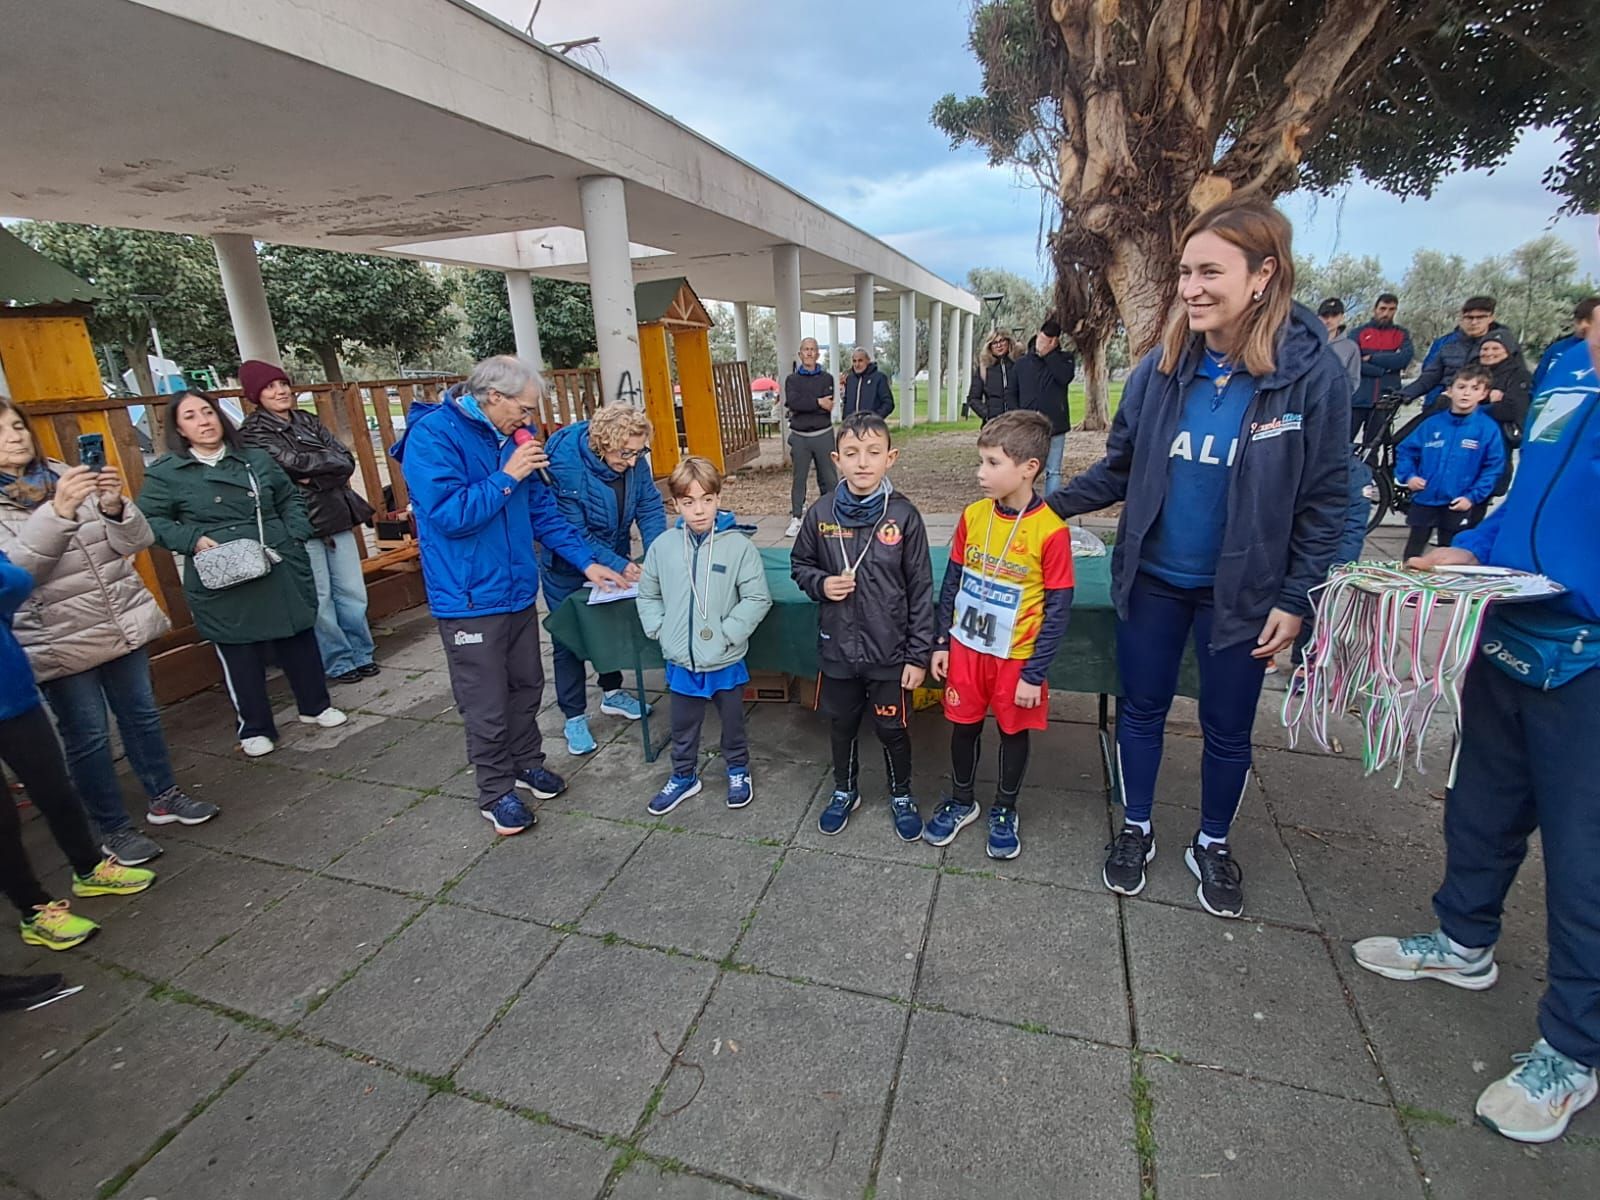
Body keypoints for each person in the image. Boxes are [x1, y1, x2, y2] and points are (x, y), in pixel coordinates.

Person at [1049, 198, 1348, 918]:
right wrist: (1043, 506)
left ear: (1263, 275)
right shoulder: (1159, 370)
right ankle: (1138, 827)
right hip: (1152, 582)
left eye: (1210, 271)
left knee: (1226, 726)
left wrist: (1296, 597)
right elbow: (1120, 468)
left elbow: (1328, 501)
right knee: (1142, 711)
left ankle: (1212, 841)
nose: (1191, 287)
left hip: (1244, 595)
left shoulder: (1311, 376)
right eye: (1185, 271)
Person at [1351, 318, 1600, 1145]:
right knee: (1480, 807)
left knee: (1584, 862)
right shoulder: (1565, 373)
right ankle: (1463, 941)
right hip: (1509, 628)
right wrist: (1475, 550)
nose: (1593, 340)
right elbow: (1531, 499)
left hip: (1586, 656)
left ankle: (1571, 1049)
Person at [392, 357, 625, 836]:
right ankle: (495, 790)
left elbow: (544, 511)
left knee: (525, 688)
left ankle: (527, 763)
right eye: (523, 409)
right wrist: (508, 476)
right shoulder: (433, 436)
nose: (529, 419)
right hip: (470, 597)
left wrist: (586, 560)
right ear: (492, 396)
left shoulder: (513, 436)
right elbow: (450, 515)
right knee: (486, 701)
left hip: (518, 590)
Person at [0, 400, 213, 866]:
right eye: (1, 431)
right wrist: (58, 513)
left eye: (18, 425)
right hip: (57, 635)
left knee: (142, 716)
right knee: (89, 736)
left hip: (118, 617)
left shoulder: (65, 474)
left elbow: (135, 542)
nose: (15, 436)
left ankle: (165, 796)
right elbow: (15, 576)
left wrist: (116, 507)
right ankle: (111, 827)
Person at [139, 391, 347, 758]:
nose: (204, 421)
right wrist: (191, 539)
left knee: (298, 636)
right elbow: (150, 521)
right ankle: (254, 726)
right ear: (178, 428)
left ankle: (314, 705)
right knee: (240, 652)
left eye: (208, 412)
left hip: (275, 556)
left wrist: (293, 536)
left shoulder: (255, 460)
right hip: (222, 568)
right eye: (191, 416)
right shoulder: (167, 473)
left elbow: (289, 498)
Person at [926, 411, 1073, 860]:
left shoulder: (1051, 531)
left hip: (1016, 659)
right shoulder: (972, 516)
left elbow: (1059, 608)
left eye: (992, 463)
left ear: (1028, 468)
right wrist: (940, 641)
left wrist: (1035, 673)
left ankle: (1005, 809)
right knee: (962, 726)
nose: (980, 473)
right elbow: (951, 582)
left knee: (1013, 732)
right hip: (967, 650)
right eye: (981, 461)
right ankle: (962, 799)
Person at [2, 549, 155, 952]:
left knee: (56, 791)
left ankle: (88, 869)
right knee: (1, 821)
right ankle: (35, 910)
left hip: (11, 691)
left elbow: (15, 583)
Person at [791, 413, 935, 841]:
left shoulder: (904, 516)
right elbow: (800, 566)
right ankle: (844, 790)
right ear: (836, 459)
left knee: (892, 727)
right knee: (842, 726)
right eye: (852, 454)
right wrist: (822, 583)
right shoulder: (820, 512)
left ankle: (902, 794)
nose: (863, 463)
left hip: (889, 652)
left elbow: (922, 589)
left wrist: (918, 654)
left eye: (873, 453)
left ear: (890, 457)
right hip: (837, 649)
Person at [637, 457, 772, 815]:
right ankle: (683, 776)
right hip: (682, 659)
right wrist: (659, 628)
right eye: (688, 501)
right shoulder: (664, 547)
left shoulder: (738, 546)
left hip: (724, 658)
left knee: (732, 724)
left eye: (707, 499)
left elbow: (758, 597)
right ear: (676, 504)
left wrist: (729, 633)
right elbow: (647, 593)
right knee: (682, 725)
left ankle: (738, 770)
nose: (699, 510)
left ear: (718, 497)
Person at [238, 360, 378, 685]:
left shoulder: (306, 420)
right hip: (300, 520)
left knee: (352, 591)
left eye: (283, 383)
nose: (280, 391)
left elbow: (345, 459)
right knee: (320, 596)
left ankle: (362, 652)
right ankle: (338, 661)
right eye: (270, 386)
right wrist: (323, 469)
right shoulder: (253, 432)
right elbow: (287, 466)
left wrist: (312, 475)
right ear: (256, 394)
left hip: (336, 512)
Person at [541, 405, 667, 754]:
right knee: (570, 638)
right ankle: (573, 716)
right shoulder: (565, 464)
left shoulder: (634, 458)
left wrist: (656, 556)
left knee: (610, 625)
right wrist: (617, 563)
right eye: (624, 453)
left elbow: (650, 507)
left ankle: (612, 693)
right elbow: (572, 532)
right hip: (566, 567)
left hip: (615, 553)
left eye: (638, 453)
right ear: (601, 443)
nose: (631, 462)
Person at [1394, 364, 1505, 560]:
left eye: (1474, 389)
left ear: (1484, 394)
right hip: (1425, 498)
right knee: (1413, 550)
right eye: (1461, 387)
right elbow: (1405, 451)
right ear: (1449, 390)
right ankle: (1405, 586)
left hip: (1458, 502)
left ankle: (1444, 590)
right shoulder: (1432, 424)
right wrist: (1409, 476)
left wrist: (1472, 497)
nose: (1466, 394)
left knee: (1450, 552)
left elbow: (1493, 467)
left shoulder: (1487, 429)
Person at [1402, 296, 1507, 412]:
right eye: (1469, 317)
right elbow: (1430, 376)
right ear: (1461, 318)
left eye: (1480, 317)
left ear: (1491, 318)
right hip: (1443, 405)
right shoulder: (1448, 346)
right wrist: (1405, 394)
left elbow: (1511, 379)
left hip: (1482, 409)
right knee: (1412, 430)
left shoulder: (1500, 347)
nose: (1474, 322)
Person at [1015, 318, 1077, 495]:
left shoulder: (1065, 360)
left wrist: (1049, 356)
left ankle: (1051, 509)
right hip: (1028, 425)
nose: (1041, 345)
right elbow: (1013, 392)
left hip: (1055, 424)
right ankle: (1025, 507)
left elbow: (1064, 378)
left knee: (1053, 470)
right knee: (1025, 469)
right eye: (1041, 340)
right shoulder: (1023, 363)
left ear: (1055, 341)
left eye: (1048, 341)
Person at [783, 337, 838, 538]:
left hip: (823, 434)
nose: (809, 352)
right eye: (805, 349)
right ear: (800, 354)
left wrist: (809, 404)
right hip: (800, 436)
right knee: (799, 479)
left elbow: (828, 405)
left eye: (812, 349)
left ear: (817, 353)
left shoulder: (826, 378)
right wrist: (816, 402)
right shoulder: (792, 380)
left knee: (829, 478)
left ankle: (831, 516)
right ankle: (797, 517)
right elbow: (794, 403)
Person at [1349, 293, 1414, 445]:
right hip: (1358, 398)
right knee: (1345, 444)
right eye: (1382, 308)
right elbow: (1353, 362)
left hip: (1385, 399)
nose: (1386, 313)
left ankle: (1371, 469)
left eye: (1391, 309)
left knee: (1373, 446)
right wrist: (1383, 370)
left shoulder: (1401, 334)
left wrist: (1372, 358)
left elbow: (1403, 359)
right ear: (1375, 309)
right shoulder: (1358, 333)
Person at [1477, 328, 1532, 497]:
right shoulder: (1473, 372)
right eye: (1485, 349)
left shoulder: (1519, 375)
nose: (1489, 353)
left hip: (1499, 439)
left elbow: (1511, 410)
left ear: (1509, 350)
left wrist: (1475, 406)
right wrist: (1489, 401)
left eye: (1496, 348)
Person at [1530, 296, 1596, 394]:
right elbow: (1537, 383)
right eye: (1579, 320)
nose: (1583, 326)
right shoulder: (1557, 349)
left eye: (1589, 321)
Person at [966, 330, 1020, 424]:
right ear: (989, 346)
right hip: (993, 426)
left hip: (1016, 424)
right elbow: (973, 398)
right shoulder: (984, 369)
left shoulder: (1018, 365)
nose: (999, 345)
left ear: (1009, 342)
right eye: (995, 343)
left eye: (1002, 341)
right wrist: (988, 415)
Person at [837, 347, 895, 421]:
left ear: (868, 360)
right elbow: (846, 403)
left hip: (871, 427)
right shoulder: (850, 379)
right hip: (852, 427)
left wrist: (875, 419)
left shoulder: (879, 378)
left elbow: (888, 403)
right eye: (854, 361)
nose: (857, 364)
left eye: (860, 361)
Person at [1317, 298, 1362, 393]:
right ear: (1318, 317)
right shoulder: (1308, 343)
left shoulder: (1351, 347)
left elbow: (1353, 380)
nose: (1329, 320)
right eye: (1325, 316)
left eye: (1334, 315)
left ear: (1342, 317)